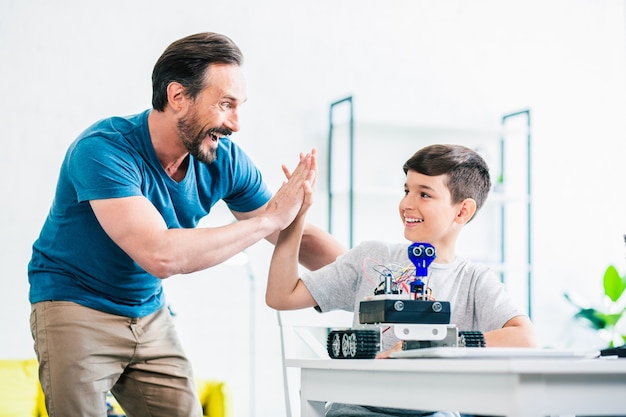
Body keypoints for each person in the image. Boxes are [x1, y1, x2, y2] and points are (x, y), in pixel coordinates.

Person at [28, 32, 345, 417]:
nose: (237, 123)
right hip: (75, 305)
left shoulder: (223, 159)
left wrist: (373, 275)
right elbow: (160, 255)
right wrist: (269, 218)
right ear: (178, 97)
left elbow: (290, 232)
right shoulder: (102, 150)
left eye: (239, 106)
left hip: (148, 312)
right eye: (226, 105)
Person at [266, 143, 539, 417]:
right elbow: (281, 295)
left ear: (462, 211)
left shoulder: (473, 280)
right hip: (357, 411)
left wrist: (435, 345)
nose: (407, 204)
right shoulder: (372, 257)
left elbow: (525, 338)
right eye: (407, 190)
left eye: (424, 194)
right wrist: (294, 219)